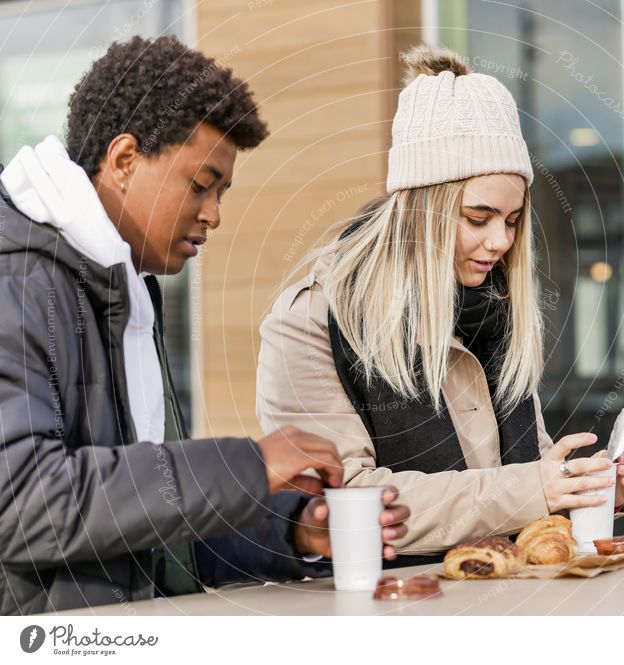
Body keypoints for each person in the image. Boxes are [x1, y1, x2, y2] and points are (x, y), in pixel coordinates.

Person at [0, 35, 409, 616]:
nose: (213, 214)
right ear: (123, 161)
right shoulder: (17, 282)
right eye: (200, 184)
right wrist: (247, 466)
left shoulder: (124, 288)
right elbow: (24, 509)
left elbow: (144, 532)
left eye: (222, 191)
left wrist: (292, 535)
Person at [256, 45, 624, 561]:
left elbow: (523, 474)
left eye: (511, 220)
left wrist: (589, 489)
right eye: (478, 218)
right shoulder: (312, 318)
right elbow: (345, 504)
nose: (501, 242)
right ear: (422, 208)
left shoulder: (495, 306)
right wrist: (538, 488)